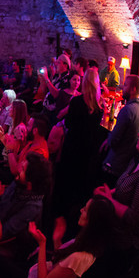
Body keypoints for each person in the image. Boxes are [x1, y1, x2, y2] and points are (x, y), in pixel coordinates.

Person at [95, 114, 139, 265]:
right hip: (115, 233)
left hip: (126, 244)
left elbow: (133, 217)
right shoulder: (138, 159)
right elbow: (125, 187)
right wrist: (109, 192)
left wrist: (109, 199)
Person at [27, 196, 116, 278]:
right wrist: (57, 240)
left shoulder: (80, 257)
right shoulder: (86, 243)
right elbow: (60, 263)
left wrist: (42, 243)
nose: (81, 210)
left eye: (85, 210)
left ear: (92, 220)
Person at [52, 68, 103, 231]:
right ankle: (72, 220)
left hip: (72, 146)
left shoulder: (76, 102)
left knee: (64, 181)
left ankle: (57, 216)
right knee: (78, 183)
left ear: (84, 82)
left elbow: (68, 124)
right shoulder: (99, 106)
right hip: (88, 151)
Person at [101, 74, 139, 185]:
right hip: (124, 164)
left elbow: (113, 140)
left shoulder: (127, 110)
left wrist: (109, 139)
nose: (122, 88)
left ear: (133, 89)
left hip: (115, 163)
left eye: (125, 85)